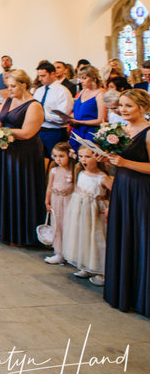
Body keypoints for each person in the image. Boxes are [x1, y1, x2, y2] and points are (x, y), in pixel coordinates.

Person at [103, 89, 150, 316]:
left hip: (141, 189)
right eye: (121, 105)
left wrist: (124, 162)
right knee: (124, 234)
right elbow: (117, 162)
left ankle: (140, 295)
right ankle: (123, 290)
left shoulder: (148, 132)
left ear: (142, 107)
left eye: (128, 106)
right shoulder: (121, 130)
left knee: (140, 237)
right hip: (122, 186)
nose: (123, 110)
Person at [0, 70, 46, 246]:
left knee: (21, 190)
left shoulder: (34, 105)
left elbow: (26, 132)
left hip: (25, 154)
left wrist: (3, 132)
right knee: (7, 189)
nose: (10, 89)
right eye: (8, 86)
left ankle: (23, 234)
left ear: (24, 84)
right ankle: (7, 231)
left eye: (13, 86)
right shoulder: (8, 100)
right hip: (6, 150)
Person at [62, 146, 111, 284]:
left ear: (97, 158)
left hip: (94, 211)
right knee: (82, 237)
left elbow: (116, 192)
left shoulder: (102, 177)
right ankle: (86, 265)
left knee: (95, 238)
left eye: (88, 157)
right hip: (80, 210)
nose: (83, 159)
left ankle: (101, 271)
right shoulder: (81, 172)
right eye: (81, 156)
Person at [43, 142, 75, 266]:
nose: (58, 159)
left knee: (69, 226)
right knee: (57, 225)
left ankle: (70, 253)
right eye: (55, 156)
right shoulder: (54, 171)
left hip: (68, 201)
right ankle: (59, 252)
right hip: (56, 201)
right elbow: (49, 187)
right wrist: (47, 201)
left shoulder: (74, 171)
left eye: (61, 156)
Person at [34, 61, 74, 157]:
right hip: (38, 131)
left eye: (43, 76)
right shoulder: (38, 91)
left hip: (55, 132)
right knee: (40, 161)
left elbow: (63, 118)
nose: (40, 79)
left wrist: (42, 116)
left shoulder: (62, 91)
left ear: (52, 74)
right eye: (39, 76)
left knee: (55, 161)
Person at [69, 65, 106, 151]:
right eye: (80, 78)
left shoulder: (100, 94)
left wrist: (79, 121)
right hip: (77, 130)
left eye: (84, 78)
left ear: (93, 78)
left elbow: (102, 120)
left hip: (90, 132)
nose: (81, 81)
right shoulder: (83, 92)